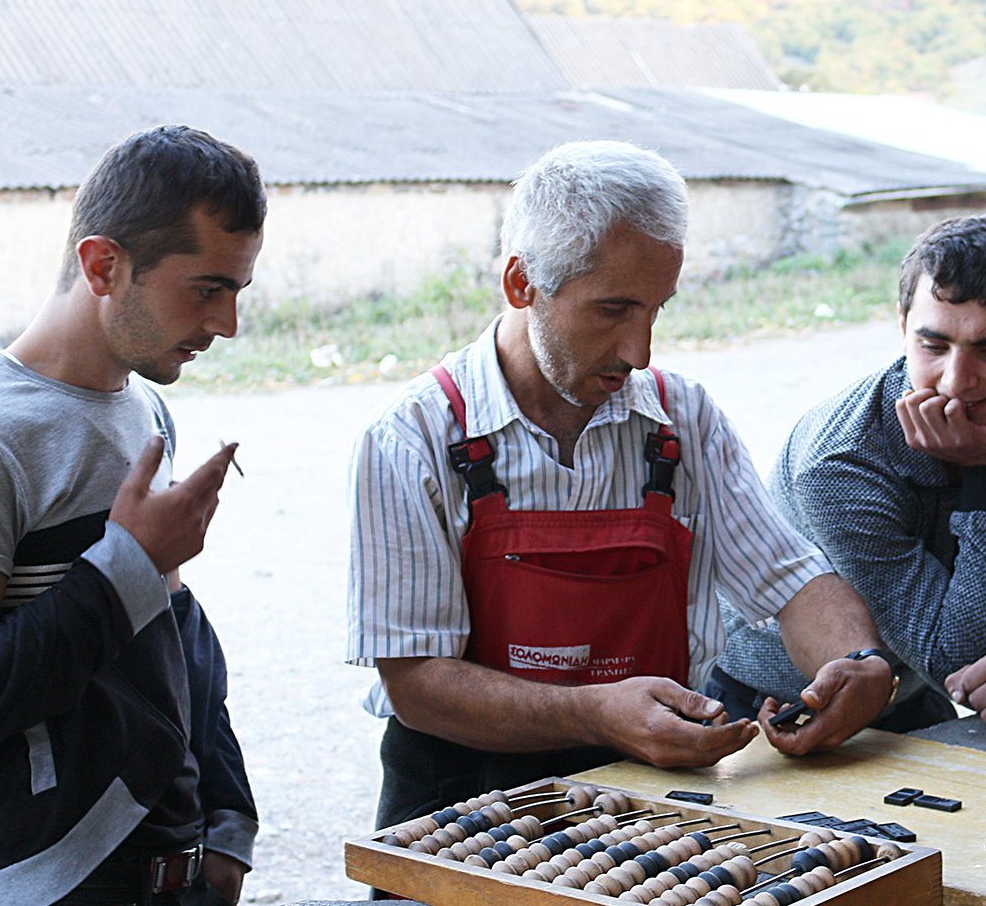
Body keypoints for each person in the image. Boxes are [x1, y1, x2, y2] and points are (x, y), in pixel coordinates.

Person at [348, 140, 898, 828]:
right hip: (462, 807)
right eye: (613, 309)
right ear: (522, 284)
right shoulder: (413, 438)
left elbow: (792, 580)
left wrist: (858, 662)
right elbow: (417, 684)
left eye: (656, 308)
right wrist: (596, 711)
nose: (640, 351)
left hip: (648, 800)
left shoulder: (682, 418)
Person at [0, 126, 263, 906]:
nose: (226, 323)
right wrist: (125, 562)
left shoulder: (148, 411)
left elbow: (175, 628)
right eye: (206, 288)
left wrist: (226, 815)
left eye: (237, 291)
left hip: (177, 877)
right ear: (103, 265)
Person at [711, 216, 986, 734]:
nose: (955, 381)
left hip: (912, 701)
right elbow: (962, 660)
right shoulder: (841, 460)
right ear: (902, 327)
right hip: (768, 710)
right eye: (933, 346)